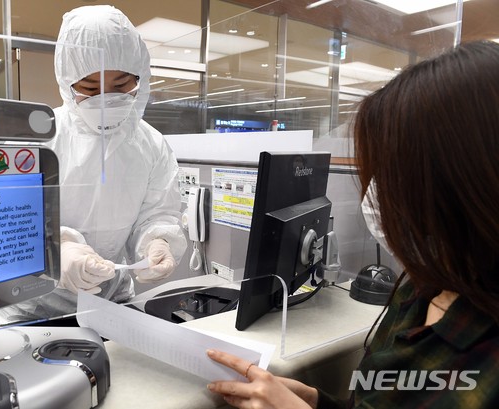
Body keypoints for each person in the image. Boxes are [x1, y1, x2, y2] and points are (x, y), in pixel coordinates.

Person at [206, 40, 499, 408]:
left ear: (464, 184)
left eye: (393, 173)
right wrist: (314, 401)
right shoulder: (423, 286)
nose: (377, 192)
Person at [0, 5, 186, 323]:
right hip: (32, 307)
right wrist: (59, 250)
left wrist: (158, 241)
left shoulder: (151, 144)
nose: (107, 98)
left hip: (111, 302)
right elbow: (7, 222)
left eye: (122, 85)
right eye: (91, 88)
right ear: (67, 82)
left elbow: (158, 212)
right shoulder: (36, 139)